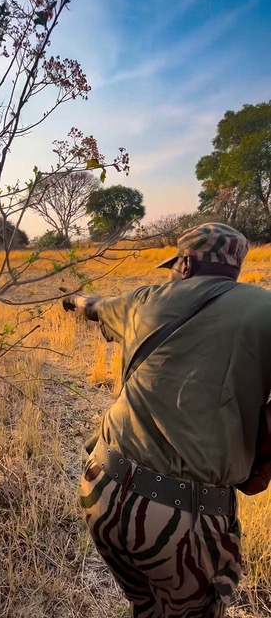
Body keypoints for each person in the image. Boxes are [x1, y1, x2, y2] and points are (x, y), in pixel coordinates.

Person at [62, 223, 271, 618]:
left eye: (175, 265)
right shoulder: (262, 310)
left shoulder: (143, 300)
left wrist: (72, 301)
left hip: (100, 491)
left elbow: (93, 305)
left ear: (187, 263)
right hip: (180, 520)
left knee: (144, 603)